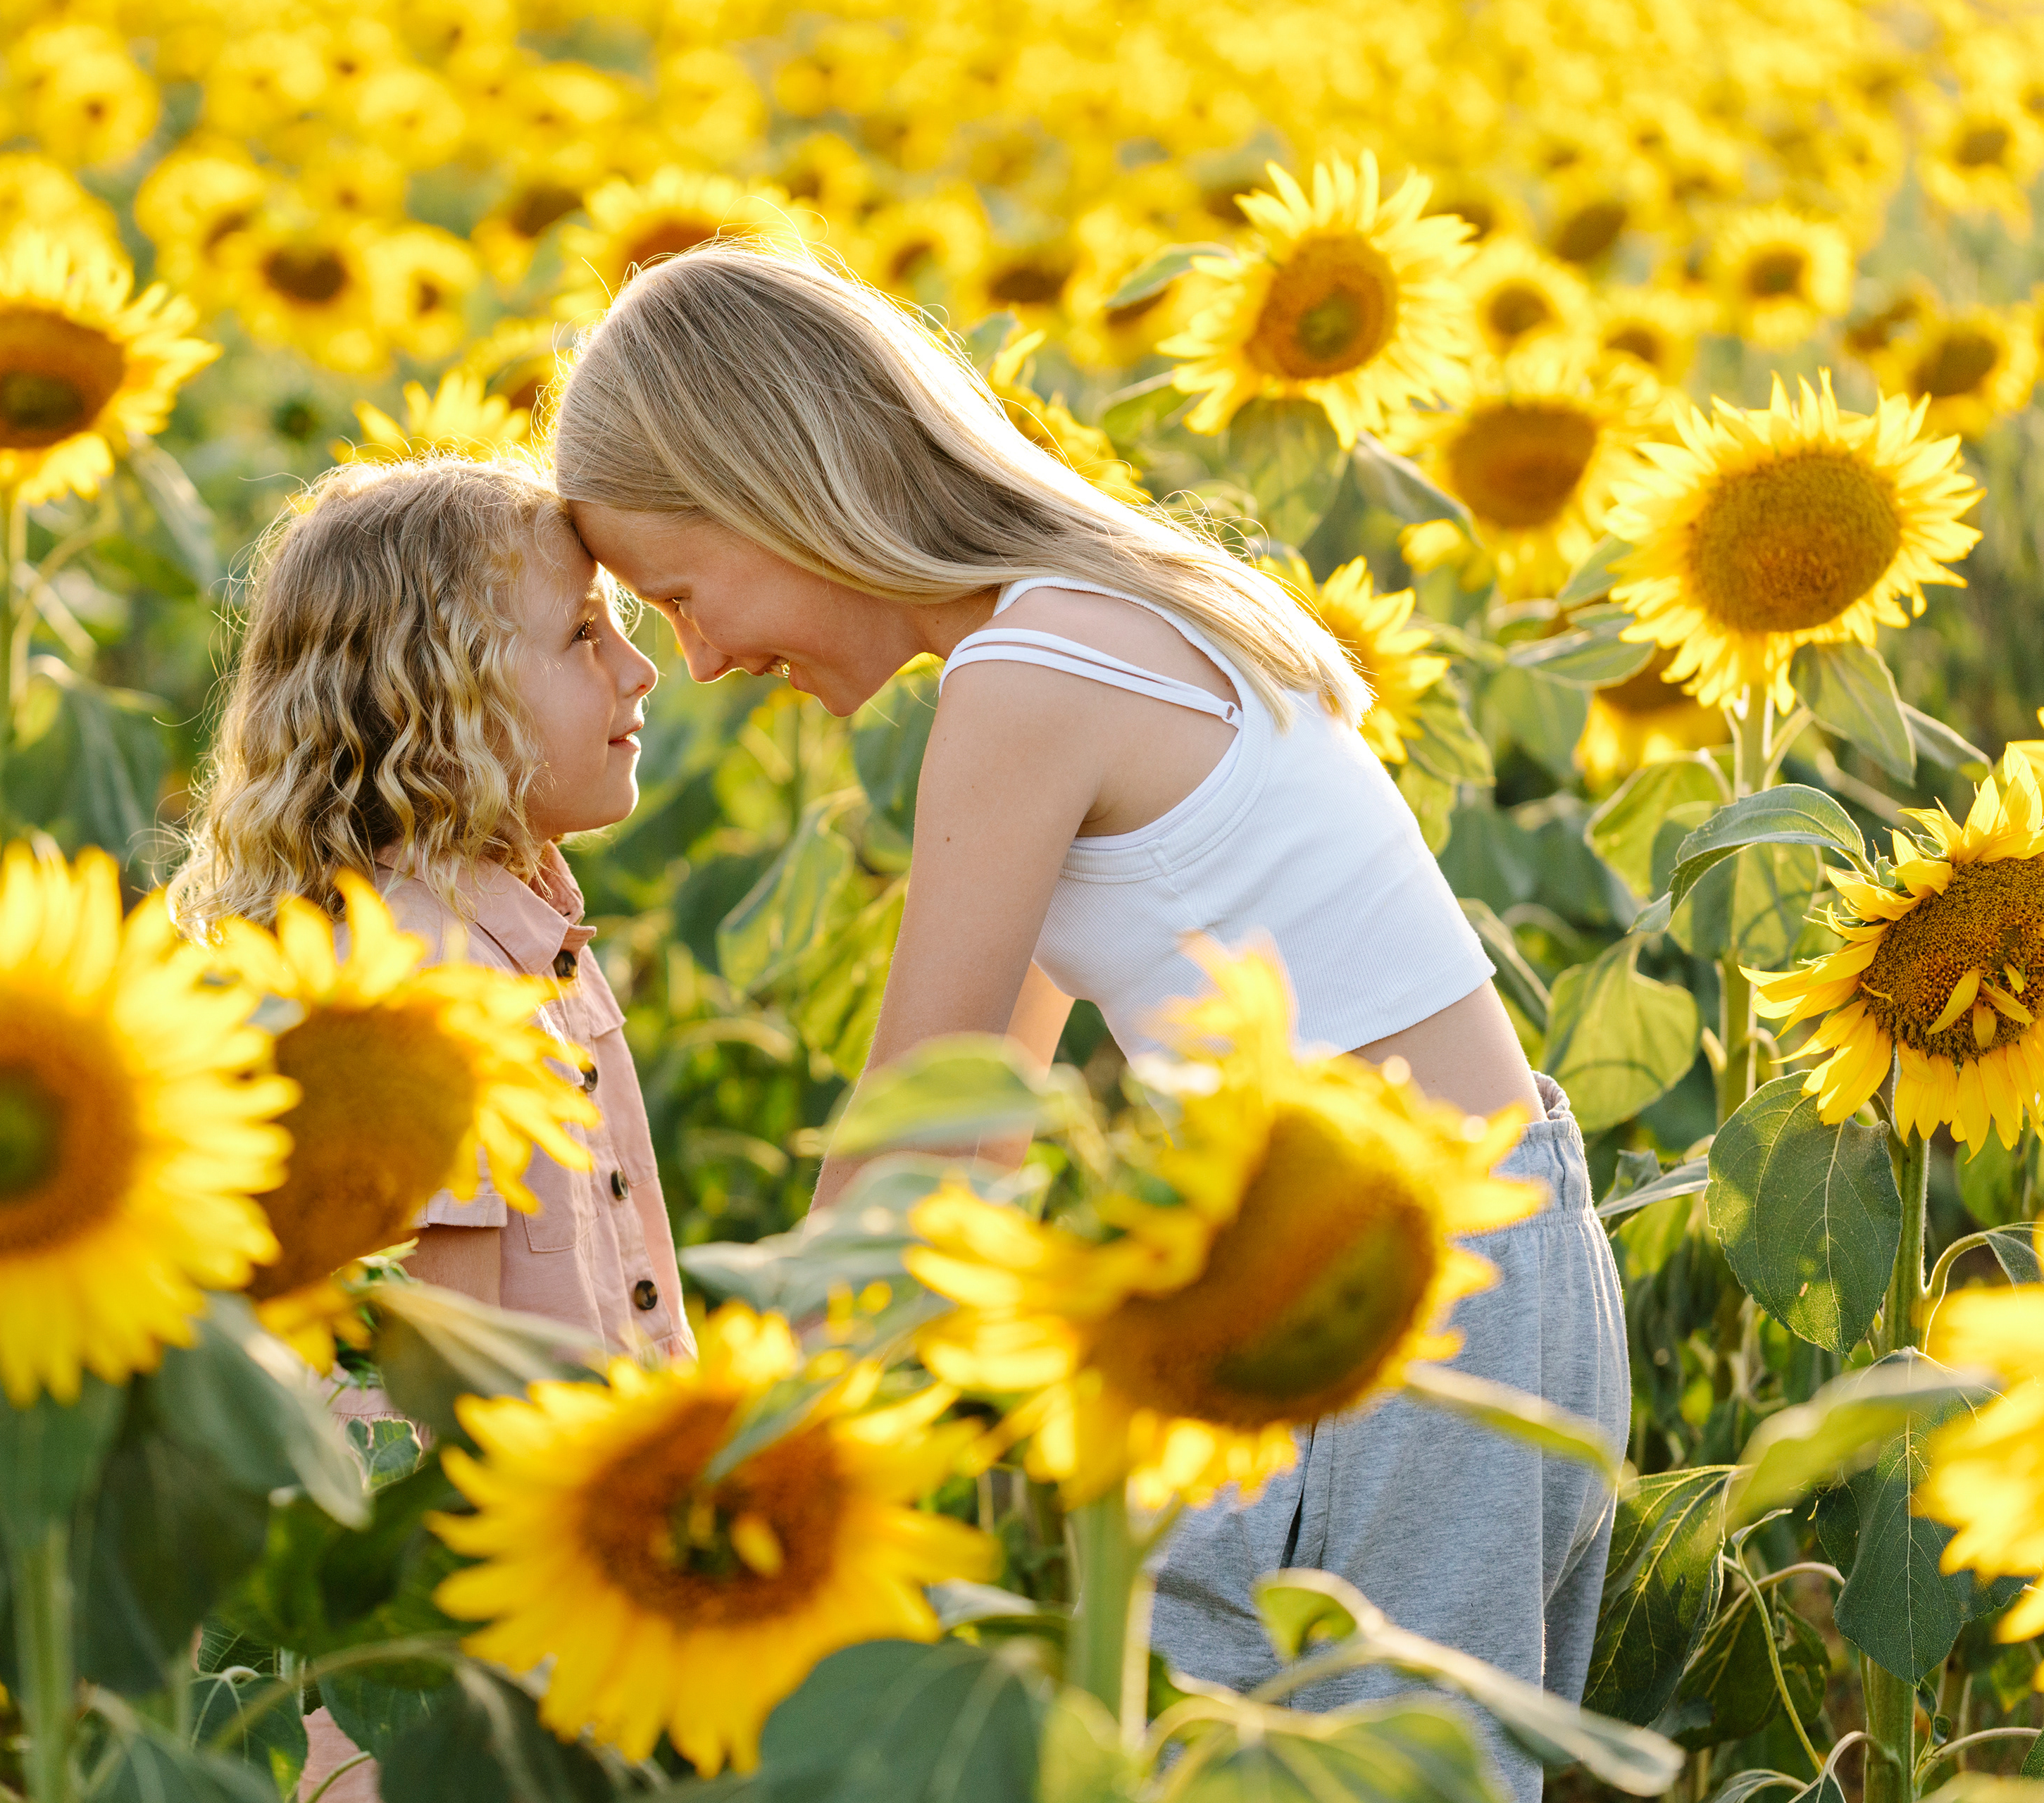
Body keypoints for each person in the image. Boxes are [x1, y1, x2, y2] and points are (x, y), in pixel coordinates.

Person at [551, 242, 1628, 1801]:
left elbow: (905, 1123)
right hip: (1481, 1259)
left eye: (680, 593)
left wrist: (716, 1475)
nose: (704, 659)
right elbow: (982, 1128)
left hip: (1390, 1307)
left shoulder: (1024, 679)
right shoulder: (1106, 608)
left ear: (778, 487)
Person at [170, 455, 692, 1802]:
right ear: (433, 695)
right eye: (585, 635)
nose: (640, 675)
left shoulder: (518, 938)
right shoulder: (411, 996)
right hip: (461, 1683)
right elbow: (406, 1407)